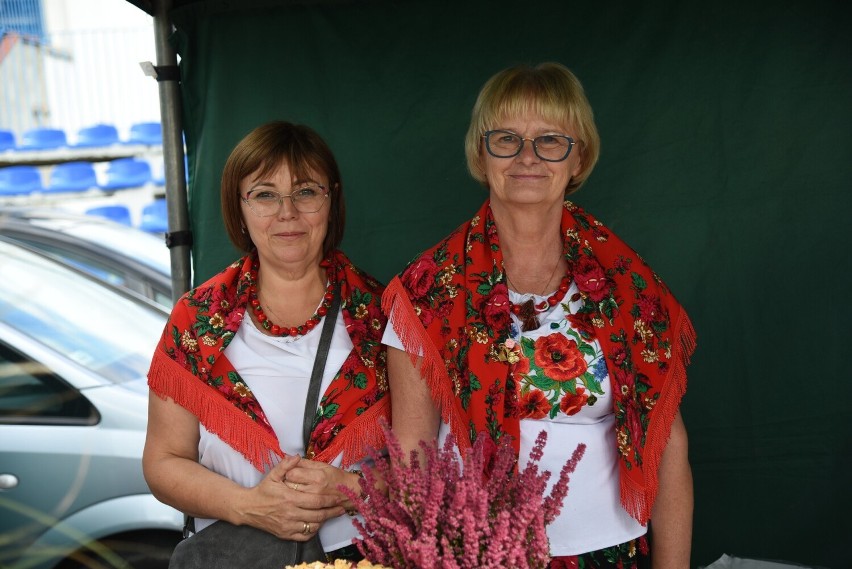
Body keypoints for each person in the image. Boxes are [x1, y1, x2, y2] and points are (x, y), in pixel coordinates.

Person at [381, 63, 696, 568]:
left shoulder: (626, 285)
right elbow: (413, 461)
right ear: (481, 156)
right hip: (475, 556)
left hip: (609, 554)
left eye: (551, 140)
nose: (527, 157)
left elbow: (668, 444)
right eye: (506, 138)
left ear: (579, 158)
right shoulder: (427, 290)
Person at [143, 121, 388, 563]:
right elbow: (163, 462)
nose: (287, 212)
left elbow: (431, 463)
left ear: (331, 201)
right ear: (239, 210)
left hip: (364, 556)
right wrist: (250, 506)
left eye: (306, 192)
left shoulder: (383, 319)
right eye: (264, 194)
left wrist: (355, 490)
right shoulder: (197, 320)